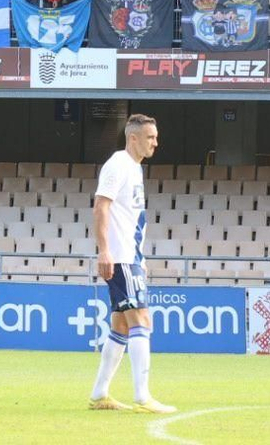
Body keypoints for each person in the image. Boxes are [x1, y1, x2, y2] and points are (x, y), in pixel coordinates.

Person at [89, 113, 175, 415]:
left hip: (131, 255)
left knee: (121, 325)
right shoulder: (118, 164)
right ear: (133, 138)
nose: (156, 142)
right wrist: (105, 251)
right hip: (121, 255)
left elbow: (130, 217)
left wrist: (142, 257)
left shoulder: (134, 169)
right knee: (142, 320)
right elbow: (101, 205)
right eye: (150, 137)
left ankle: (99, 393)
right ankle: (143, 396)